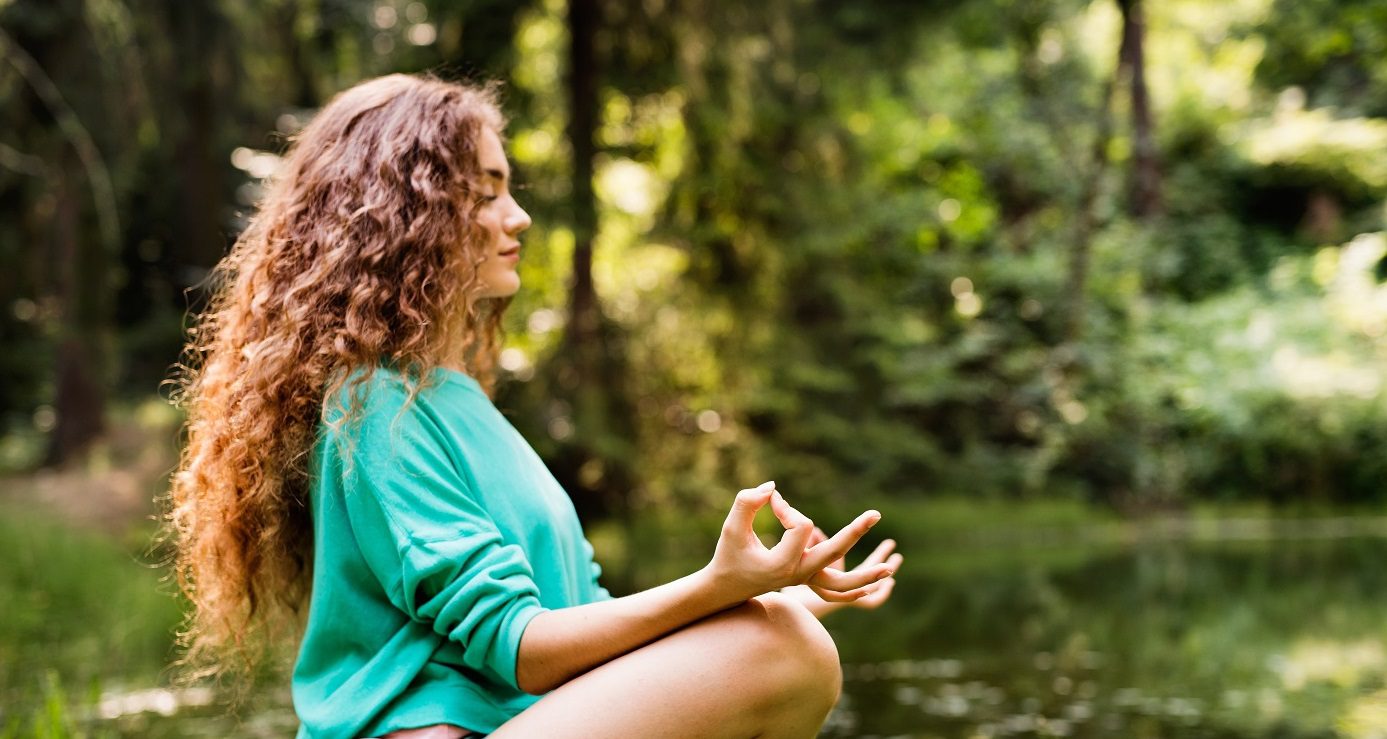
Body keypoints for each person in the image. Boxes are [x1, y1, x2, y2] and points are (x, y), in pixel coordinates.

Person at [168, 74, 903, 739]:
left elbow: (595, 638)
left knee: (782, 638)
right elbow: (523, 650)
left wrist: (774, 588)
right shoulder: (374, 405)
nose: (516, 217)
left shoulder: (457, 403)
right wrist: (726, 592)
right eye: (485, 192)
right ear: (403, 211)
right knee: (782, 647)